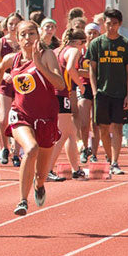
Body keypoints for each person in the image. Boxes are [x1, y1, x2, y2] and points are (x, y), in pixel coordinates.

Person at [0, 20, 65, 216]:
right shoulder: (12, 59)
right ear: (17, 37)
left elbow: (60, 84)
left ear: (38, 36)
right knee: (30, 148)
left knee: (41, 174)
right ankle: (22, 200)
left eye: (31, 34)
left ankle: (39, 185)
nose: (27, 38)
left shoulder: (47, 55)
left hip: (46, 118)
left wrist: (40, 65)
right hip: (21, 115)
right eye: (23, 34)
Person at [86, 8, 128, 175]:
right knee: (103, 129)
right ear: (104, 24)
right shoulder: (96, 44)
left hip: (120, 92)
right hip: (101, 92)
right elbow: (92, 70)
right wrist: (94, 92)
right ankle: (108, 156)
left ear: (119, 24)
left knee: (118, 128)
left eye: (114, 24)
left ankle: (115, 161)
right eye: (108, 24)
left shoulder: (126, 45)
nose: (111, 27)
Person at [48, 28, 87, 180]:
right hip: (62, 93)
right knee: (62, 134)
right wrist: (81, 85)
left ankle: (76, 169)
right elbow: (70, 68)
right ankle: (48, 169)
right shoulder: (73, 51)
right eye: (83, 44)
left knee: (71, 131)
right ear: (78, 42)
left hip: (54, 93)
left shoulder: (56, 50)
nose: (83, 48)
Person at [0, 13, 23, 166]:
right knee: (3, 118)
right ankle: (3, 148)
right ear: (6, 26)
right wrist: (6, 74)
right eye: (11, 23)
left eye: (16, 23)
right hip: (5, 83)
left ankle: (16, 153)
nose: (13, 26)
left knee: (20, 118)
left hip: (21, 84)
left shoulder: (25, 42)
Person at [78, 23, 101, 163]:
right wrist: (91, 73)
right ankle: (85, 148)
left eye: (95, 33)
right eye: (89, 33)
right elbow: (76, 71)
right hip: (83, 87)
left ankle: (94, 153)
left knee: (96, 122)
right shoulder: (80, 51)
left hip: (99, 88)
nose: (92, 36)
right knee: (84, 122)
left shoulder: (101, 50)